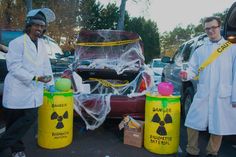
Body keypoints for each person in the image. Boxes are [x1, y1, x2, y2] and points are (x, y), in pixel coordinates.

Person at [0, 8, 55, 157]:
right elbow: (14, 67)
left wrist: (51, 82)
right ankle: (16, 150)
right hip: (17, 89)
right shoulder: (17, 43)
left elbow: (45, 64)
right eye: (36, 25)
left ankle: (6, 145)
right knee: (14, 122)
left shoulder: (42, 44)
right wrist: (35, 78)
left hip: (33, 89)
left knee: (29, 117)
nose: (39, 28)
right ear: (29, 25)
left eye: (42, 26)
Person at [180, 16, 236, 157]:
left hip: (223, 94)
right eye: (207, 28)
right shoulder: (200, 51)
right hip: (203, 93)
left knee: (219, 125)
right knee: (192, 121)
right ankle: (191, 151)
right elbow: (193, 69)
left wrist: (235, 97)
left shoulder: (232, 49)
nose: (210, 30)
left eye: (213, 27)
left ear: (219, 28)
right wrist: (187, 75)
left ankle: (212, 152)